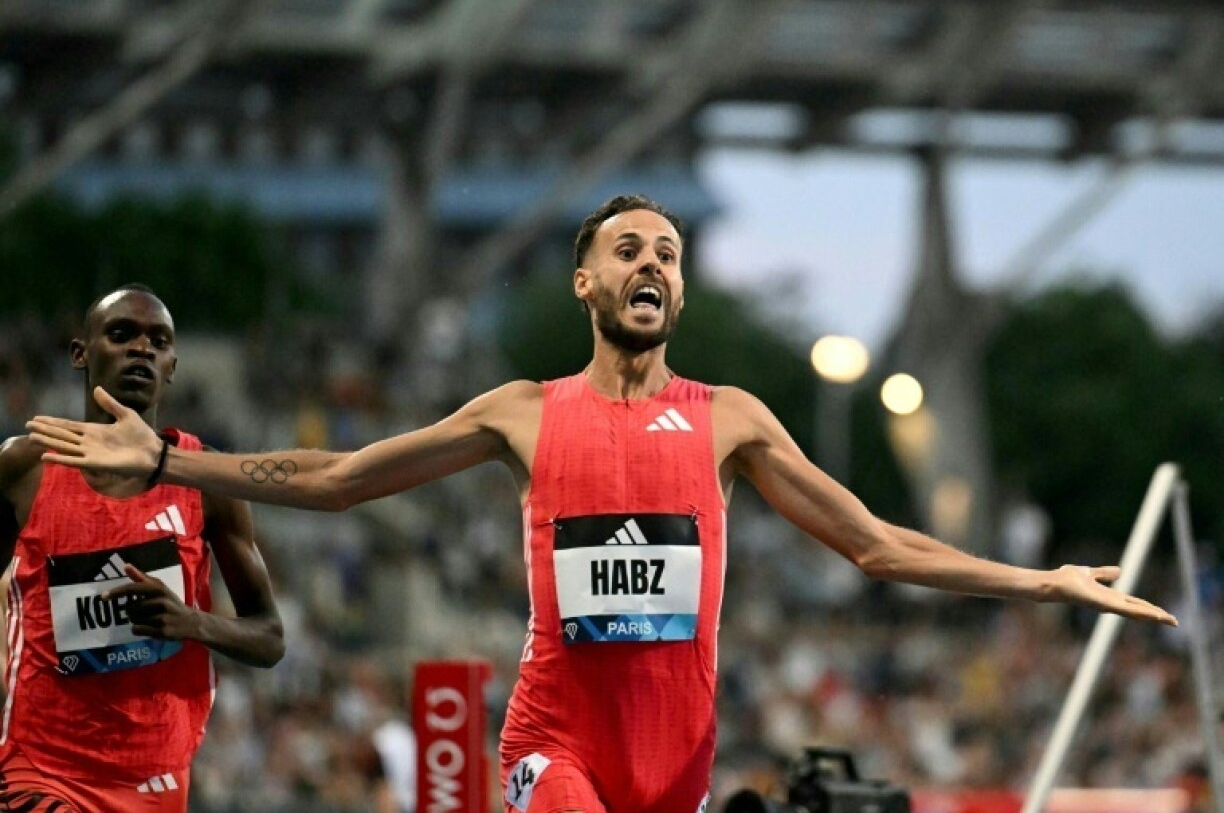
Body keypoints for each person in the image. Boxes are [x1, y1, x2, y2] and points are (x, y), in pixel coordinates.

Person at [26, 198, 1177, 813]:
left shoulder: (731, 418)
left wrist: (1041, 582)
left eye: (669, 254)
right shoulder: (524, 413)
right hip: (553, 749)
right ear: (585, 281)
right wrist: (172, 468)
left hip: (673, 769)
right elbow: (336, 477)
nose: (653, 266)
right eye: (629, 248)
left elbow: (875, 545)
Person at [2, 284, 284, 812]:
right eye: (121, 334)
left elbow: (269, 637)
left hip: (155, 776)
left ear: (173, 364)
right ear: (80, 353)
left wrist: (190, 621)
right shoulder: (25, 469)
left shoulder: (209, 481)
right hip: (39, 765)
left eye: (159, 341)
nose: (141, 349)